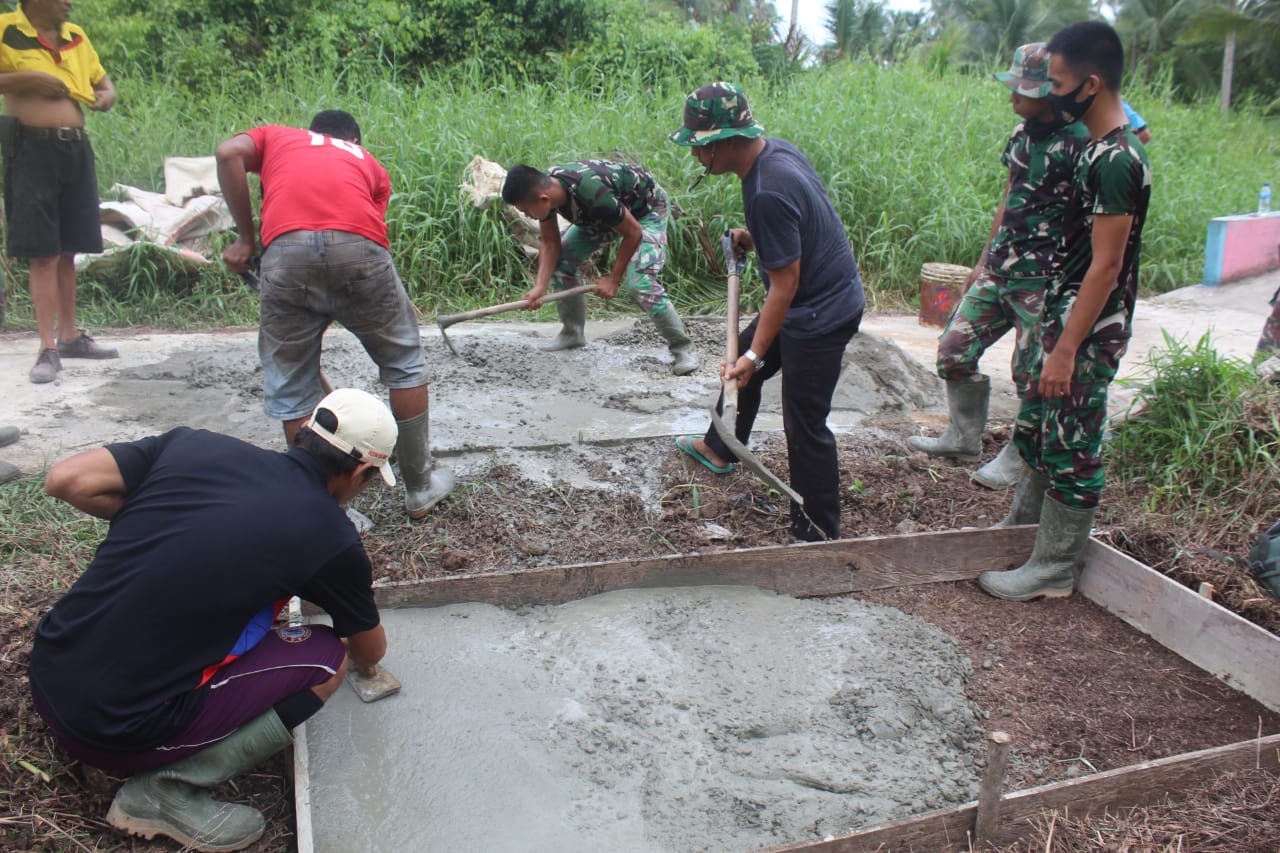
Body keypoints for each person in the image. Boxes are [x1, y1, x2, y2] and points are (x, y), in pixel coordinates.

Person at [28, 388, 395, 851]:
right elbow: (369, 651)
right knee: (325, 659)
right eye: (368, 482)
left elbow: (66, 479)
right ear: (361, 472)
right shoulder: (331, 538)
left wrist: (171, 531)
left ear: (304, 432)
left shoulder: (194, 446)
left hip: (49, 670)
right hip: (108, 731)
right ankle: (165, 790)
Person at [979, 22, 1152, 601]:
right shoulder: (1095, 145)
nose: (1047, 92)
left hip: (1091, 326)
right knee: (1047, 429)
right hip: (1063, 308)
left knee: (1075, 445)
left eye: (1056, 81)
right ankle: (1025, 534)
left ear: (1091, 84)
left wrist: (1067, 348)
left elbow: (1106, 267)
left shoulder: (1115, 160)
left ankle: (1053, 568)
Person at [216, 109, 453, 519]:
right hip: (359, 250)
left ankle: (321, 509)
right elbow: (354, 240)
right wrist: (336, 297)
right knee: (404, 364)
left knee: (292, 383)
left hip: (285, 253)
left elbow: (226, 153)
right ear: (355, 142)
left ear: (311, 134)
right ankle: (420, 488)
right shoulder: (370, 165)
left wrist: (245, 238)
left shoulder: (277, 138)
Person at [667, 82, 865, 542]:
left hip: (821, 313)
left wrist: (754, 356)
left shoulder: (766, 192)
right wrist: (754, 237)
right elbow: (799, 227)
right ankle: (720, 448)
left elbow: (785, 284)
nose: (697, 158)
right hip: (806, 299)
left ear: (726, 142)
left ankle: (817, 531)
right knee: (742, 373)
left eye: (700, 148)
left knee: (804, 422)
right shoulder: (773, 155)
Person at [907, 43, 1089, 490]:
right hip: (999, 270)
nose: (1014, 98)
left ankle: (1019, 455)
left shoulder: (1080, 143)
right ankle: (964, 437)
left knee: (1030, 375)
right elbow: (1009, 196)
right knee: (953, 351)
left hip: (1043, 279)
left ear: (1051, 92)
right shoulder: (1021, 135)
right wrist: (983, 260)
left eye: (1023, 91)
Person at [0, 0, 119, 384]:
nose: (70, 3)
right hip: (31, 150)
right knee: (44, 252)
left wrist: (106, 96)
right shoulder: (6, 29)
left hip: (74, 148)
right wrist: (26, 81)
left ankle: (69, 336)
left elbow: (103, 82)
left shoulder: (76, 36)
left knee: (70, 247)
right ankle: (46, 347)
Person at [500, 161, 700, 376]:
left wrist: (613, 279)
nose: (527, 216)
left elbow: (633, 233)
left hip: (645, 212)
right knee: (561, 264)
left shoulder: (592, 193)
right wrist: (540, 286)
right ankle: (572, 333)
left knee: (640, 284)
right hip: (606, 216)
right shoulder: (545, 190)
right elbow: (550, 243)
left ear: (543, 200)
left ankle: (683, 348)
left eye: (526, 211)